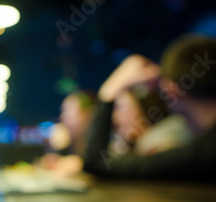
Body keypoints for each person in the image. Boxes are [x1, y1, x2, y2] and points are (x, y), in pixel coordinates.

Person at [83, 34, 216, 180]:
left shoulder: (200, 154)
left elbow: (96, 164)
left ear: (170, 91)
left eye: (121, 108)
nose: (116, 118)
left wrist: (108, 92)